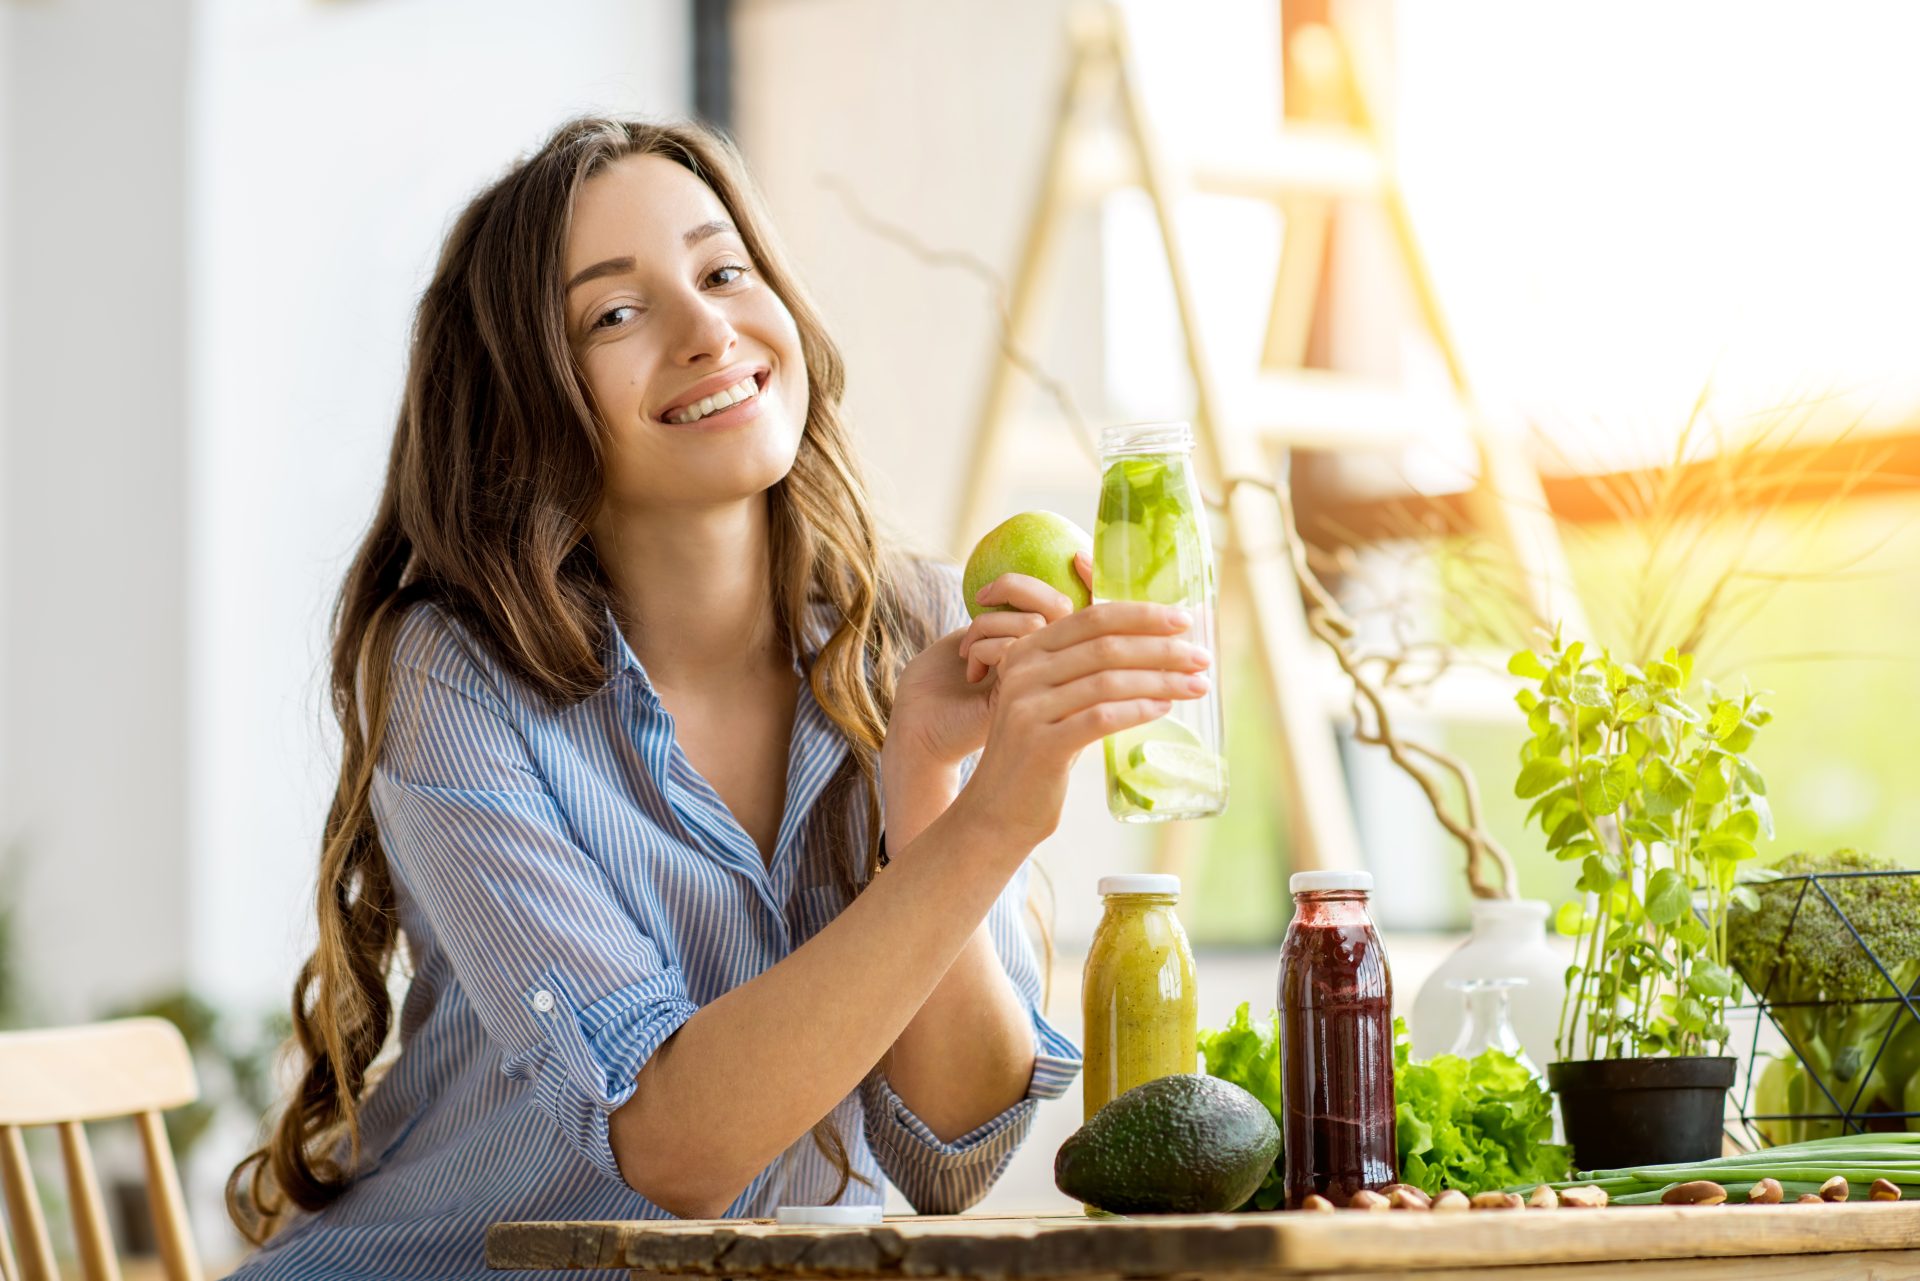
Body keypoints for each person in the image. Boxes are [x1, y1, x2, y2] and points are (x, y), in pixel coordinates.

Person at [223, 116, 1212, 1279]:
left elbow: (950, 1154)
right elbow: (672, 1147)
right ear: (522, 402)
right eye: (616, 313)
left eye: (723, 269)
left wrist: (933, 795)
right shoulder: (454, 674)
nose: (707, 330)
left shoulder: (922, 632)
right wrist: (996, 825)